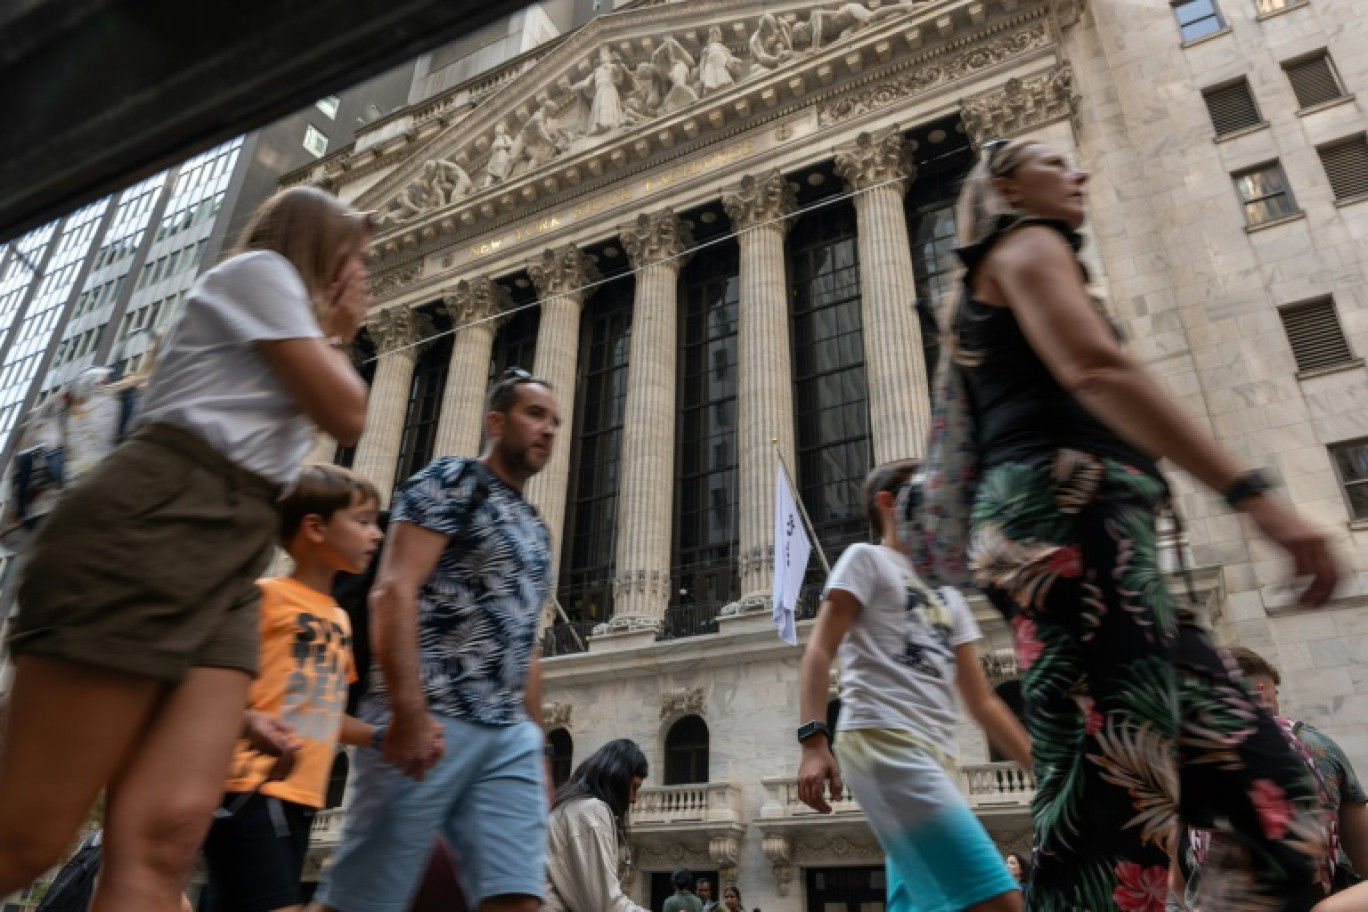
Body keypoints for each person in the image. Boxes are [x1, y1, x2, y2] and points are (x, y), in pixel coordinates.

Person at [952, 137, 1340, 910]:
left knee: (1278, 795)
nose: (1078, 171)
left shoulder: (1026, 258)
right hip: (1062, 528)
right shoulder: (1025, 244)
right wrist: (1256, 497)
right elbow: (1097, 368)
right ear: (1008, 188)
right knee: (1114, 819)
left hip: (1104, 536)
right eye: (1052, 163)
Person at [0, 186, 371, 911]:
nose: (362, 274)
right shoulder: (259, 273)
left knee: (167, 839)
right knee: (28, 839)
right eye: (354, 257)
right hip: (155, 518)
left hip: (229, 563)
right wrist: (342, 329)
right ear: (315, 249)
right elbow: (347, 408)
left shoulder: (287, 327)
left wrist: (237, 712)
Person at [306, 368, 561, 912]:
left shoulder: (536, 528)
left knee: (518, 896)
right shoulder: (450, 481)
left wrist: (536, 744)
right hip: (433, 717)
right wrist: (408, 711)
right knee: (363, 898)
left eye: (555, 421)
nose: (548, 430)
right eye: (534, 415)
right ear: (496, 421)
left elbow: (525, 643)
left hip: (507, 733)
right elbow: (392, 591)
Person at [798, 460, 1032, 912]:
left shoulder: (951, 596)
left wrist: (1040, 769)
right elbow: (819, 651)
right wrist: (812, 741)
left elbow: (982, 700)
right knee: (1003, 902)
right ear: (887, 503)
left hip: (938, 757)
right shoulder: (866, 560)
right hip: (883, 742)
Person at [201, 465, 386, 912]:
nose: (377, 535)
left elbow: (323, 714)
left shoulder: (339, 619)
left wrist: (384, 736)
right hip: (252, 787)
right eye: (363, 522)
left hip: (302, 799)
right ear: (315, 528)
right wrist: (248, 718)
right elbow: (208, 683)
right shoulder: (265, 597)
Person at [1177, 646, 1368, 910]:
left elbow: (1172, 879)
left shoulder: (1183, 758)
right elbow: (1364, 852)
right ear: (1261, 692)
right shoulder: (1314, 743)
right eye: (1276, 693)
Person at [543, 739, 650, 912]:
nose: (633, 799)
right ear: (618, 779)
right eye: (633, 787)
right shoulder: (590, 811)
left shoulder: (574, 808)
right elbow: (604, 906)